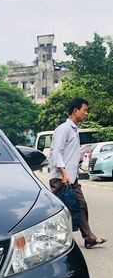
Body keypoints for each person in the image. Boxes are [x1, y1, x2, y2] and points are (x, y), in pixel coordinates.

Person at [49, 97, 107, 249]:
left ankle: (89, 238)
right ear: (75, 111)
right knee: (58, 210)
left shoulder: (74, 130)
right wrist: (64, 173)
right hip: (61, 179)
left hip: (70, 178)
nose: (86, 113)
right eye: (84, 110)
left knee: (80, 206)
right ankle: (51, 239)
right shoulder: (64, 129)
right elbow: (57, 153)